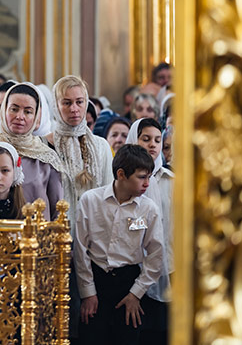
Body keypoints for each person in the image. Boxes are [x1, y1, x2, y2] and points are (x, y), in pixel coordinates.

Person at [75, 144, 164, 344]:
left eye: (149, 177)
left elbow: (156, 255)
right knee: (91, 337)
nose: (147, 184)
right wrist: (88, 293)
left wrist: (136, 294)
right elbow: (80, 250)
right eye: (142, 177)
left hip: (129, 283)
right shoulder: (90, 200)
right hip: (96, 279)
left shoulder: (148, 209)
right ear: (121, 174)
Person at [126, 118, 174, 344]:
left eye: (157, 140)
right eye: (146, 139)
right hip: (133, 270)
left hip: (169, 267)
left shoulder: (170, 181)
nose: (153, 145)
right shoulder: (121, 183)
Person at [0, 82, 65, 221]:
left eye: (28, 112)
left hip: (38, 238)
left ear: (36, 116)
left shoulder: (46, 157)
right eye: (14, 109)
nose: (20, 116)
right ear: (4, 110)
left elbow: (57, 210)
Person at [48, 75, 114, 216]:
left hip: (95, 226)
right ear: (56, 106)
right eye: (67, 103)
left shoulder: (101, 146)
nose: (74, 109)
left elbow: (109, 191)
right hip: (58, 227)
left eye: (79, 102)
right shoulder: (45, 144)